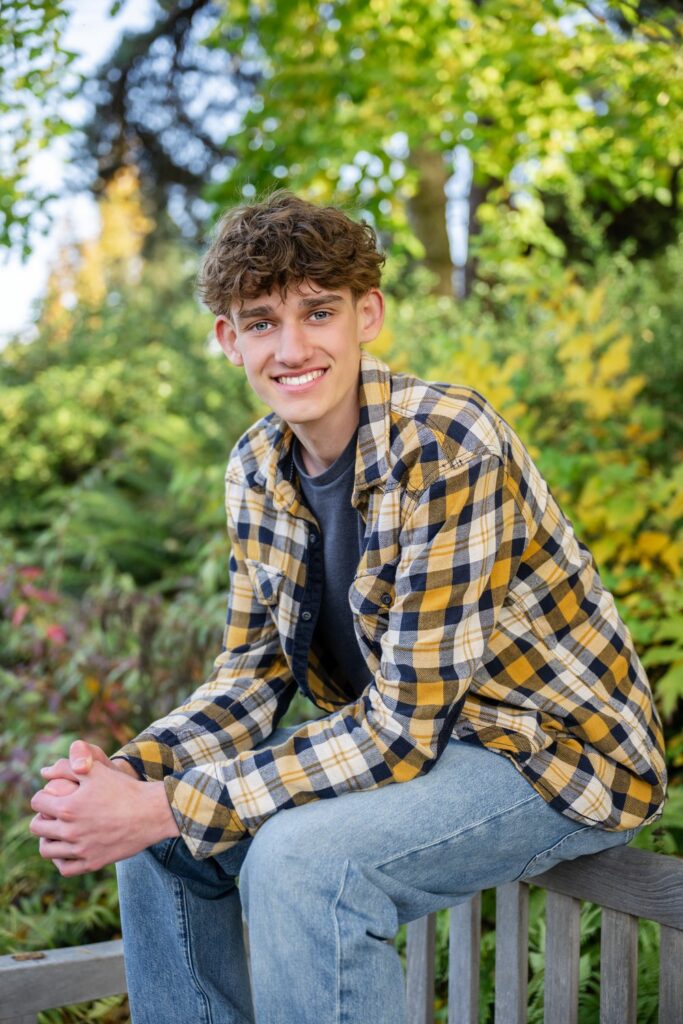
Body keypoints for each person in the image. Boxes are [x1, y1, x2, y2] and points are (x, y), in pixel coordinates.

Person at [31, 191, 667, 1024]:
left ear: (367, 314)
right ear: (228, 340)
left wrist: (161, 803)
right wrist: (130, 775)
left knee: (302, 863)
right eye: (261, 322)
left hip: (554, 756)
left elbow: (402, 728)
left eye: (318, 312)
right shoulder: (256, 468)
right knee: (158, 842)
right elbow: (249, 680)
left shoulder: (446, 443)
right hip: (419, 749)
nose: (291, 348)